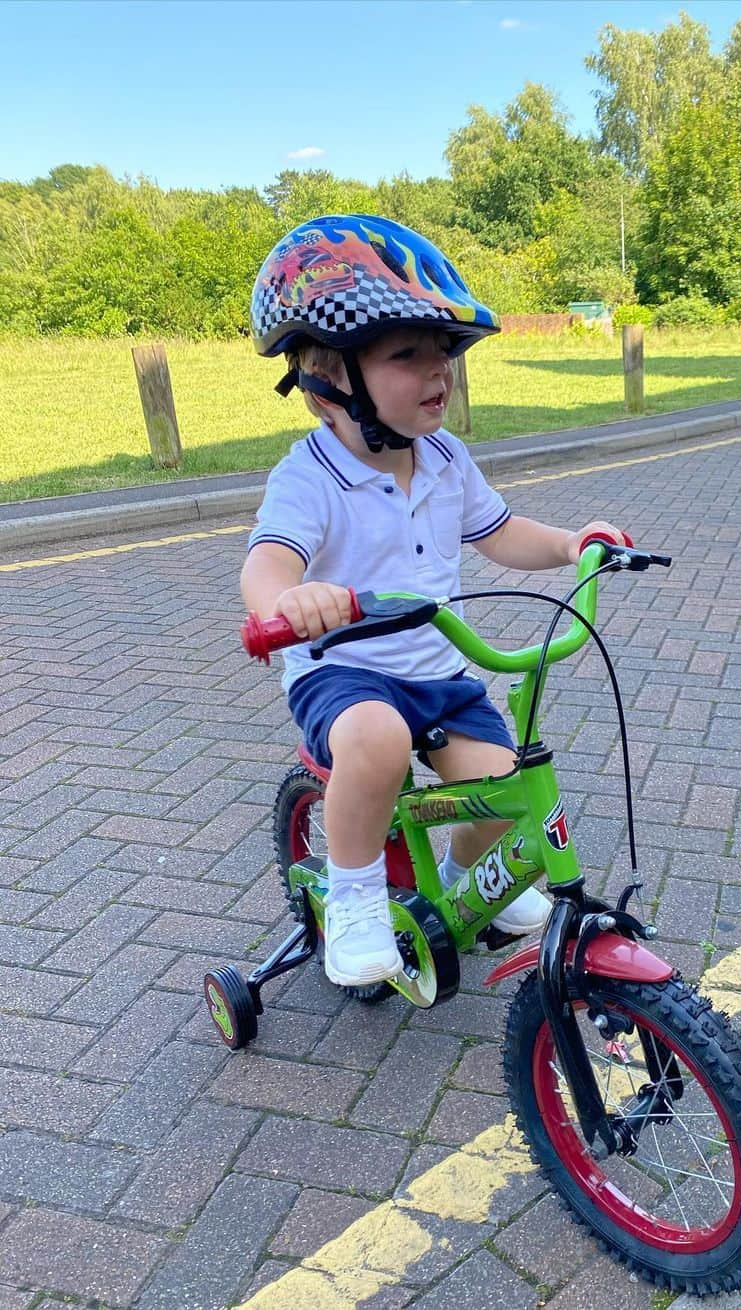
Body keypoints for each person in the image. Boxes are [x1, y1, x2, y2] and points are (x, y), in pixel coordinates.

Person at [242, 214, 625, 987]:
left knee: (502, 784)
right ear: (328, 382)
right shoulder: (309, 476)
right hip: (345, 675)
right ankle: (354, 899)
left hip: (438, 671)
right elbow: (267, 560)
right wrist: (289, 600)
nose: (437, 372)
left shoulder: (446, 458)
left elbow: (501, 530)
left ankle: (454, 882)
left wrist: (572, 544)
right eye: (406, 354)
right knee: (378, 739)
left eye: (443, 352)